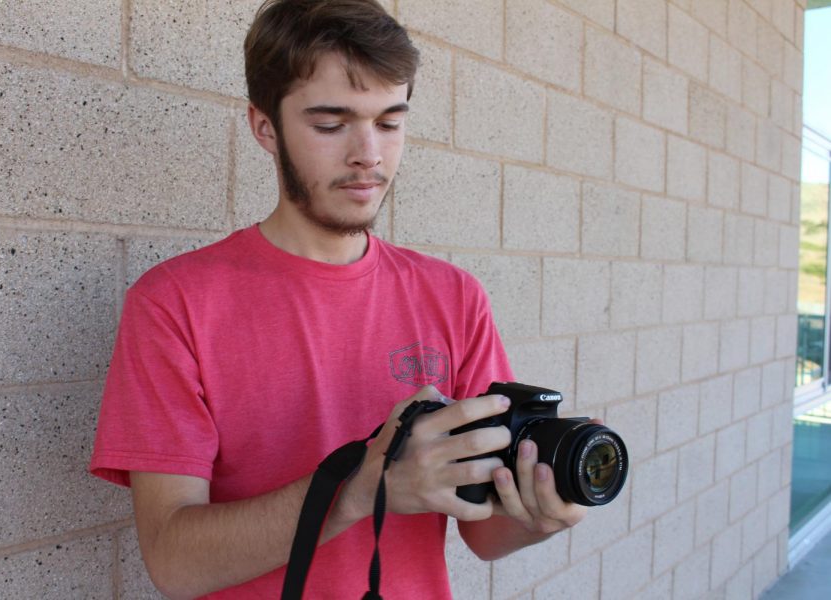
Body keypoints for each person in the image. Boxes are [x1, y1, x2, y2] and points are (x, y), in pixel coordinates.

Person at [89, 1, 588, 598]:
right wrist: (358, 490)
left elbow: (484, 535)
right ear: (263, 126)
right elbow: (174, 561)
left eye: (390, 121)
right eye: (331, 124)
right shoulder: (175, 303)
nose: (368, 155)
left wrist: (543, 513)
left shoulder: (453, 296)